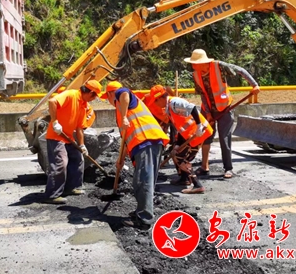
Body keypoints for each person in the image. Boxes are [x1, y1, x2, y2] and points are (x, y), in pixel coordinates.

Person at [102, 81, 169, 230]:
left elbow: (124, 92)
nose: (108, 101)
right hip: (147, 144)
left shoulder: (122, 97)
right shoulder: (121, 112)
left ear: (111, 94)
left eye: (107, 97)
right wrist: (120, 160)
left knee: (143, 181)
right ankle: (142, 212)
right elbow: (125, 140)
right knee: (142, 181)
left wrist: (124, 117)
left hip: (147, 141)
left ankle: (144, 219)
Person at [184, 49, 260, 179]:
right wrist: (208, 113)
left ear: (202, 62)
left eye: (194, 63)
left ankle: (228, 168)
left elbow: (240, 70)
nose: (192, 66)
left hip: (225, 108)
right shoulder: (196, 75)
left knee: (224, 138)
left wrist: (254, 85)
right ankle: (204, 167)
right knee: (205, 136)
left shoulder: (219, 66)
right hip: (208, 109)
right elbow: (203, 94)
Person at [44, 80, 102, 204]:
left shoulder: (83, 105)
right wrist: (55, 122)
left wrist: (82, 145)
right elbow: (52, 101)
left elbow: (80, 128)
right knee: (61, 163)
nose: (94, 99)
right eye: (94, 96)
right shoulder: (71, 94)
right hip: (56, 136)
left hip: (68, 137)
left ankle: (72, 187)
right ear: (90, 93)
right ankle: (52, 195)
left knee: (78, 158)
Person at [148, 85, 212, 194]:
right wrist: (177, 145)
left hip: (199, 134)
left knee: (181, 157)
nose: (155, 104)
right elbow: (182, 128)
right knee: (175, 151)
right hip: (190, 136)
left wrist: (198, 126)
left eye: (155, 101)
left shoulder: (174, 103)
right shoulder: (169, 108)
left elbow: (192, 108)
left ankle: (197, 185)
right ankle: (184, 179)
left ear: (160, 98)